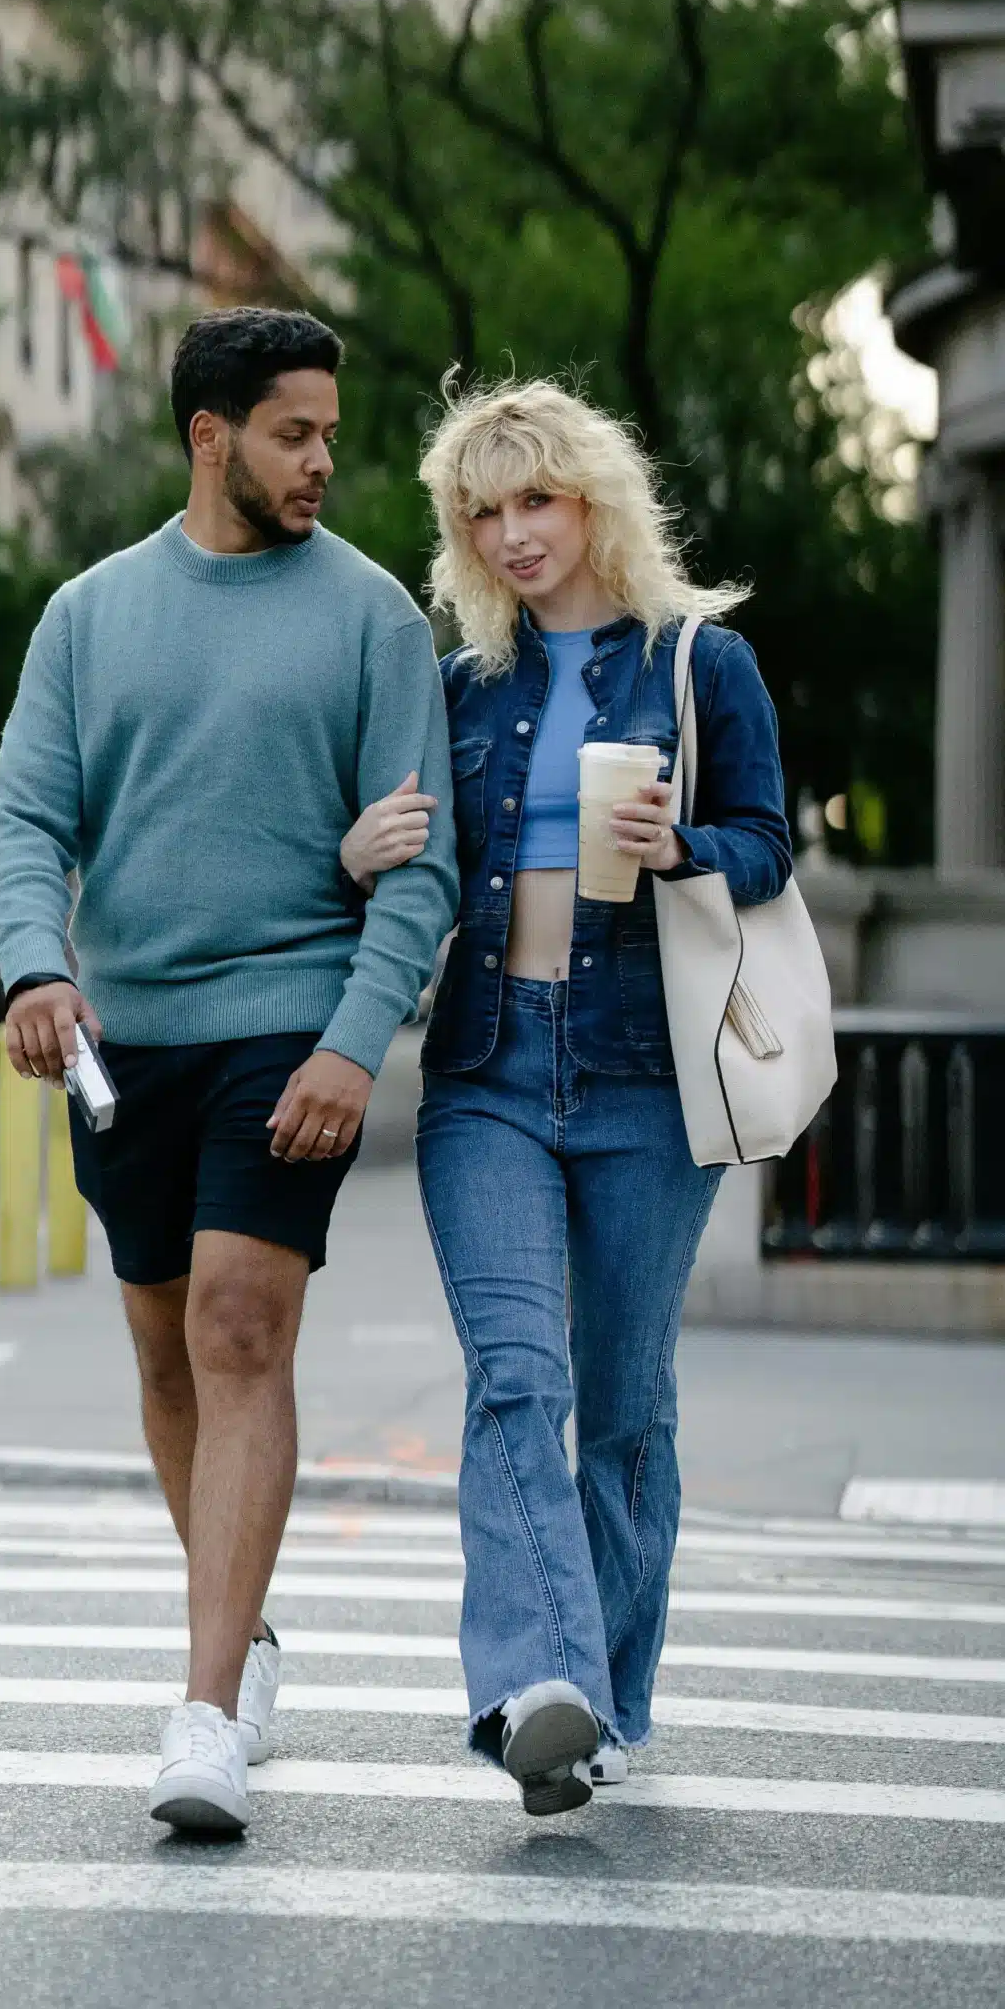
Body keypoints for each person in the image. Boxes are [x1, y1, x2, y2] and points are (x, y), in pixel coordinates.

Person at [0, 306, 458, 1838]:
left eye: (330, 430)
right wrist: (36, 967)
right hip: (131, 1042)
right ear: (210, 436)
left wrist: (346, 1040)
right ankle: (242, 1636)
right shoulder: (88, 615)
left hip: (284, 1029)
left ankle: (201, 1719)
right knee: (168, 1354)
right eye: (293, 432)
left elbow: (421, 872)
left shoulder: (375, 619)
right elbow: (25, 821)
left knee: (245, 1328)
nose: (324, 458)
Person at [341, 379, 791, 1815]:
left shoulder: (697, 668)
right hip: (485, 1071)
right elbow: (412, 872)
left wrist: (683, 847)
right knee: (514, 1382)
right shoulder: (462, 687)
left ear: (594, 500)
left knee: (620, 1410)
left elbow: (770, 850)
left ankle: (606, 1697)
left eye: (533, 499)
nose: (511, 533)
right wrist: (357, 851)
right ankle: (539, 1688)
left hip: (644, 1079)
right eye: (482, 512)